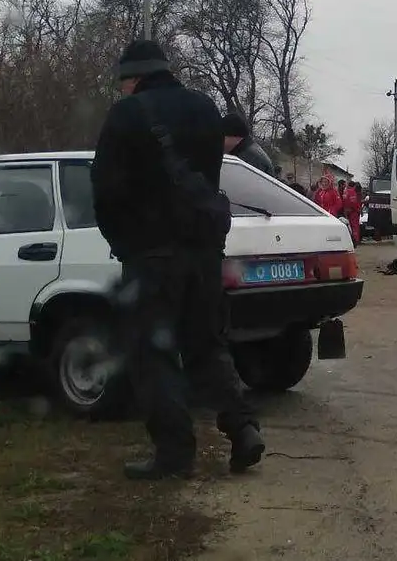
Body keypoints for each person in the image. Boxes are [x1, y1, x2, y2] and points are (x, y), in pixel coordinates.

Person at [90, 39, 263, 480]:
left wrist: (124, 242)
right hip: (204, 253)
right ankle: (243, 430)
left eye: (122, 81)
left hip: (151, 257)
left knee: (154, 354)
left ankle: (174, 454)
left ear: (133, 77)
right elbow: (210, 176)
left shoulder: (126, 115)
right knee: (207, 346)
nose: (122, 89)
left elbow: (105, 191)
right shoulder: (205, 108)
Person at [342, 179, 362, 245]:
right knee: (355, 227)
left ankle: (350, 240)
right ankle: (355, 240)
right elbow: (353, 202)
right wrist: (357, 210)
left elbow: (344, 201)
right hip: (353, 212)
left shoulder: (345, 191)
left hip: (346, 211)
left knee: (348, 226)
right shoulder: (352, 192)